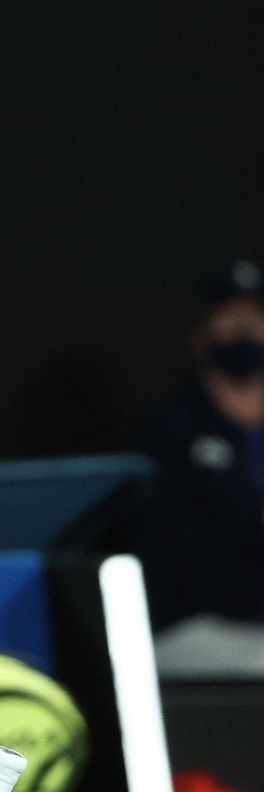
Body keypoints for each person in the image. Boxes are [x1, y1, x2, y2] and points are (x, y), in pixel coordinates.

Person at [130, 259, 263, 679]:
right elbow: (180, 558)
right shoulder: (169, 431)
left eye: (256, 314)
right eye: (229, 316)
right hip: (195, 627)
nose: (245, 329)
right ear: (200, 332)